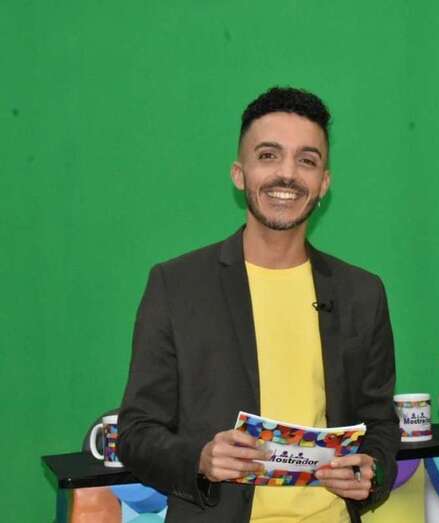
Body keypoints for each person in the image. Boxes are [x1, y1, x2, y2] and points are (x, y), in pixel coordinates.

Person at [119, 87, 399, 522]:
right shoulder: (176, 286)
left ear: (324, 183)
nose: (287, 174)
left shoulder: (362, 293)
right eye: (268, 155)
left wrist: (371, 473)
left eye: (307, 160)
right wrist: (200, 459)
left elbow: (379, 425)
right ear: (239, 173)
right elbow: (136, 433)